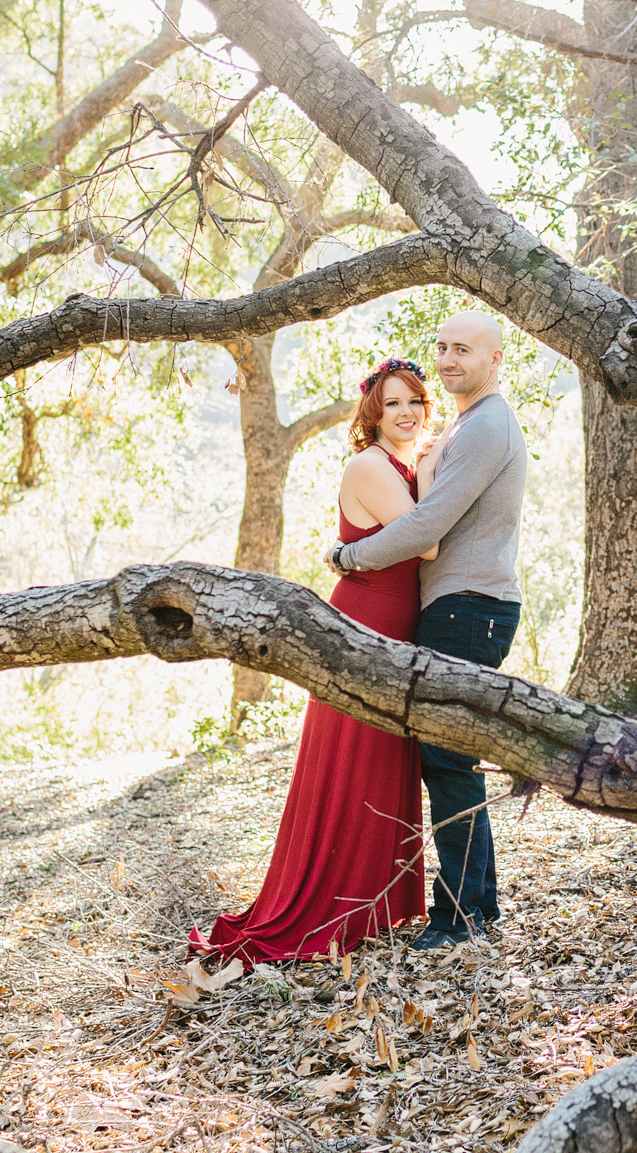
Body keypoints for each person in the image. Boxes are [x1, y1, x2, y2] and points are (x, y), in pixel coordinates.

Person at [195, 358, 440, 964]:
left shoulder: (404, 464)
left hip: (399, 622)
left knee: (384, 756)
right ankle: (331, 902)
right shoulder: (370, 465)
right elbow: (426, 540)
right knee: (351, 757)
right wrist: (433, 470)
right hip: (364, 621)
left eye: (415, 401)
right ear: (372, 414)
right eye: (392, 404)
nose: (406, 414)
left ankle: (378, 902)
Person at [328, 313, 527, 950]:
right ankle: (476, 907)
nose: (447, 359)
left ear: (494, 359)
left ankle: (462, 916)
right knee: (448, 760)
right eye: (441, 347)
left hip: (471, 607)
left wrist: (349, 556)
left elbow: (427, 526)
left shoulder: (488, 425)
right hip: (456, 606)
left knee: (448, 761)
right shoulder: (466, 425)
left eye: (462, 350)